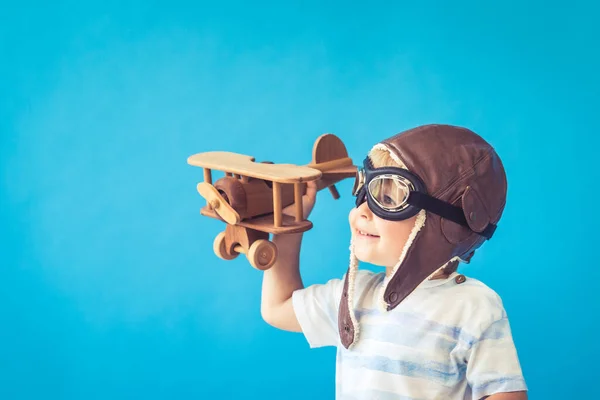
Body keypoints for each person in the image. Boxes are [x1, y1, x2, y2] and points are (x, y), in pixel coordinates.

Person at [260, 124, 528, 400]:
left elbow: (505, 394)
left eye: (387, 199)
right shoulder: (353, 297)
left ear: (444, 224)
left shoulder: (473, 307)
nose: (363, 211)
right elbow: (276, 307)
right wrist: (289, 223)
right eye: (364, 191)